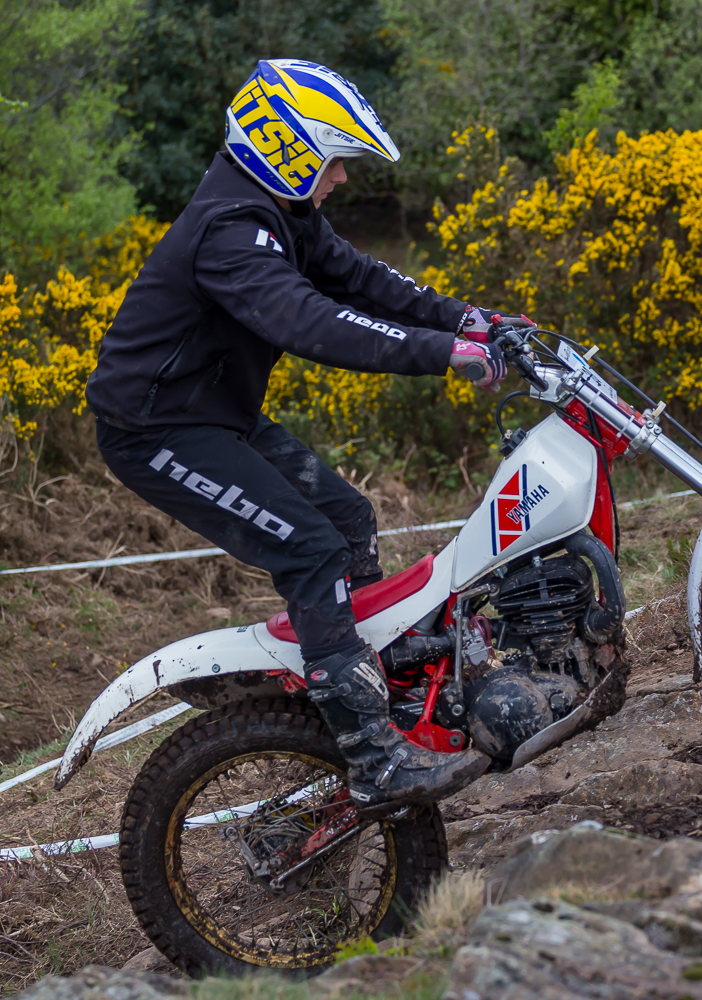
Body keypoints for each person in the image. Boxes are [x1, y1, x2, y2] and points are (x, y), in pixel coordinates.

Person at [86, 59, 522, 808]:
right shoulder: (229, 231)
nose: (342, 178)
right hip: (156, 431)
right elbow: (311, 321)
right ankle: (372, 758)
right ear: (286, 150)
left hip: (215, 413)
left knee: (349, 519)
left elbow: (361, 279)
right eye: (335, 161)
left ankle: (370, 683)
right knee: (312, 550)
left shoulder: (279, 211)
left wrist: (468, 319)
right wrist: (443, 354)